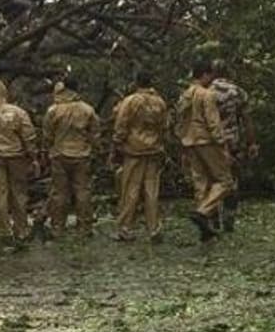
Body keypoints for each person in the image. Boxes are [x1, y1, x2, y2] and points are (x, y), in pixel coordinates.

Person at [175, 57, 232, 242]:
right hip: (206, 141)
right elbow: (213, 121)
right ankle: (203, 212)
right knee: (225, 181)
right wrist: (221, 143)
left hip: (189, 141)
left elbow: (179, 121)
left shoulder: (185, 94)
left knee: (201, 183)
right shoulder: (206, 94)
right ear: (206, 74)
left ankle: (205, 229)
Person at [111, 70, 169, 242]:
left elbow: (121, 124)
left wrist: (117, 143)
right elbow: (165, 126)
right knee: (152, 190)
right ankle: (154, 228)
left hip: (134, 150)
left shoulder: (130, 101)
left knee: (131, 189)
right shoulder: (160, 102)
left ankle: (125, 228)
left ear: (137, 82)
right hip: (154, 149)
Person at [0, 79, 39, 242]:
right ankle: (21, 229)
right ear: (6, 94)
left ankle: (4, 229)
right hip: (17, 156)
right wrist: (33, 156)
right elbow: (29, 135)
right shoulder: (18, 112)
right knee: (19, 193)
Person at [44, 76, 100, 239]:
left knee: (59, 192)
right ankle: (84, 227)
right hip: (82, 155)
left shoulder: (53, 110)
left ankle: (58, 227)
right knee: (83, 191)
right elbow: (95, 133)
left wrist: (49, 148)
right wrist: (95, 148)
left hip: (59, 154)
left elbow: (47, 134)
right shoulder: (87, 109)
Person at [210, 59, 259, 232]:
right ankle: (229, 218)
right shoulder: (238, 92)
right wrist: (252, 142)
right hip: (233, 142)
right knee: (233, 180)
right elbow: (247, 120)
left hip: (211, 143)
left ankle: (213, 217)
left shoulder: (205, 92)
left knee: (212, 180)